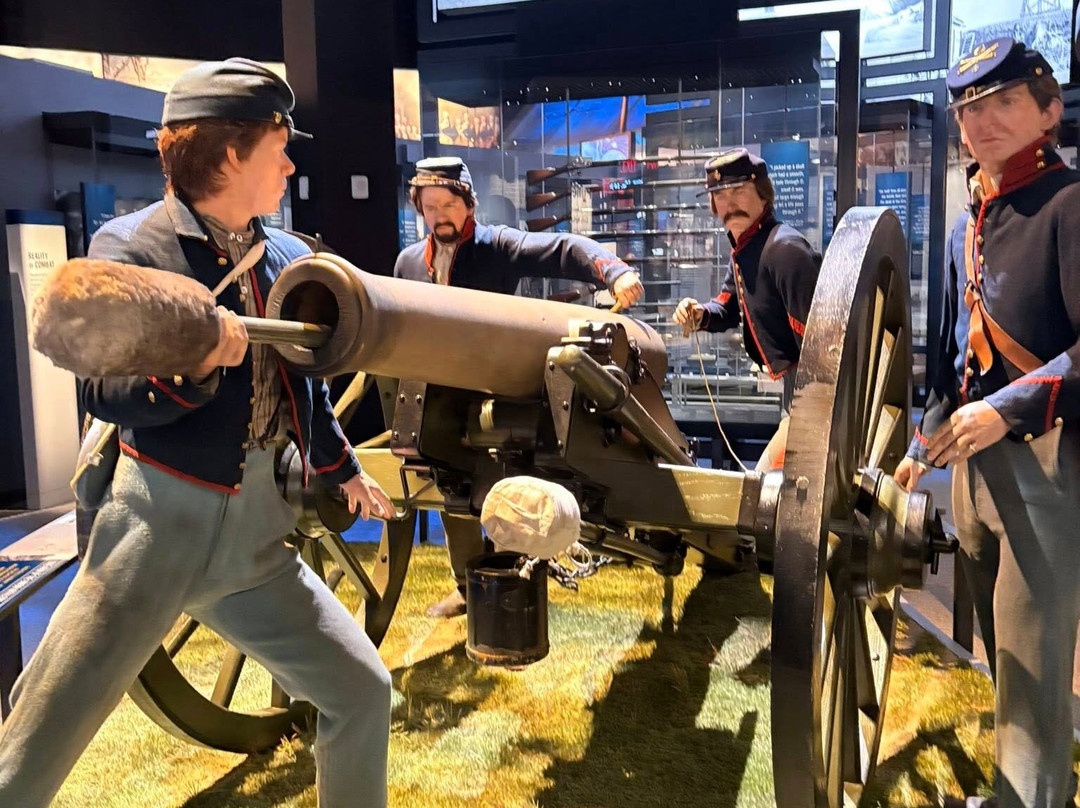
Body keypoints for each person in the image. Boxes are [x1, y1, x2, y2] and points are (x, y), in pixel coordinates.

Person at [0, 58, 395, 808]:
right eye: (278, 147)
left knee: (362, 691)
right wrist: (196, 368)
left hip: (258, 543)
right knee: (33, 748)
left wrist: (340, 466)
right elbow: (105, 393)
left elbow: (307, 387)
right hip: (153, 537)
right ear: (229, 153)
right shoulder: (130, 249)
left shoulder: (288, 257)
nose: (290, 164)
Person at [894, 38, 1080, 808]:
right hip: (974, 470)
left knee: (1033, 655)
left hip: (1046, 461)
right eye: (971, 109)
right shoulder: (964, 226)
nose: (984, 122)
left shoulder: (1068, 205)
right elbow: (952, 361)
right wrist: (921, 446)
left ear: (1048, 110)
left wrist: (1006, 410)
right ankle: (1039, 789)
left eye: (1005, 103)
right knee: (1006, 652)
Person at [394, 156, 644, 617]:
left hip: (493, 389)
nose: (439, 216)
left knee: (506, 485)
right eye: (430, 207)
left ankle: (511, 580)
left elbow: (565, 249)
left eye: (449, 204)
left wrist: (614, 271)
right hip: (438, 392)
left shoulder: (497, 246)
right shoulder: (409, 262)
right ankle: (466, 586)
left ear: (468, 204)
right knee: (449, 487)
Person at [672, 149, 821, 471]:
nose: (729, 203)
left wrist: (811, 411)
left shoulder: (785, 251)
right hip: (796, 389)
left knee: (767, 482)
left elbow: (819, 345)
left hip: (811, 393)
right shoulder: (747, 246)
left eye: (738, 190)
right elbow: (729, 304)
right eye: (720, 195)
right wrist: (700, 314)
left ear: (763, 193)